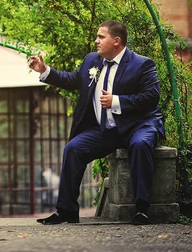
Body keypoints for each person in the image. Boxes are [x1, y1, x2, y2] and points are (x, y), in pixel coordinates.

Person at [28, 20, 164, 225]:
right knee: (73, 148)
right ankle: (66, 211)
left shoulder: (142, 64)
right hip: (107, 129)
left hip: (139, 125)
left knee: (139, 144)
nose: (96, 41)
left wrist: (116, 101)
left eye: (101, 37)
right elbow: (72, 80)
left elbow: (152, 96)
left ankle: (142, 209)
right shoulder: (92, 60)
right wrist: (45, 70)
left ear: (116, 41)